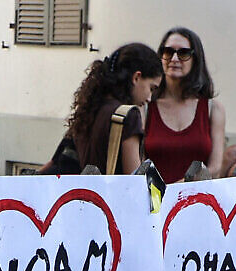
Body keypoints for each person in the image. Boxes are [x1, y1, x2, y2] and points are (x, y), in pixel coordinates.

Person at [53, 43, 160, 176]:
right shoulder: (128, 115)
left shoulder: (90, 108)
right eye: (151, 88)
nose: (149, 98)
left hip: (86, 187)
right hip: (113, 189)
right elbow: (134, 179)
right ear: (136, 77)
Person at [143, 26, 225, 183]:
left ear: (196, 59)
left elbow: (216, 168)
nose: (174, 59)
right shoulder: (146, 107)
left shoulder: (213, 109)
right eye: (168, 52)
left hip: (198, 196)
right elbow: (138, 165)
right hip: (152, 197)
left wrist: (176, 188)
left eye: (183, 53)